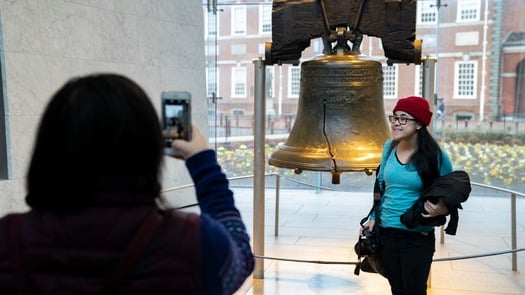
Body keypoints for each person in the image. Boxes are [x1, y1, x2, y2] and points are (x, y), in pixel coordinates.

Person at [0, 73, 254, 294]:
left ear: (47, 149)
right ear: (146, 149)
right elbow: (240, 256)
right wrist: (201, 162)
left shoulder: (8, 239)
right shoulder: (195, 241)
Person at [363, 96, 453, 295]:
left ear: (419, 123)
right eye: (394, 117)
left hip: (417, 235)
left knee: (414, 291)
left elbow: (451, 189)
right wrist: (373, 218)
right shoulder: (389, 147)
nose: (396, 123)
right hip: (387, 233)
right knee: (397, 289)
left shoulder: (434, 155)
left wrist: (443, 207)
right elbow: (381, 185)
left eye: (403, 118)